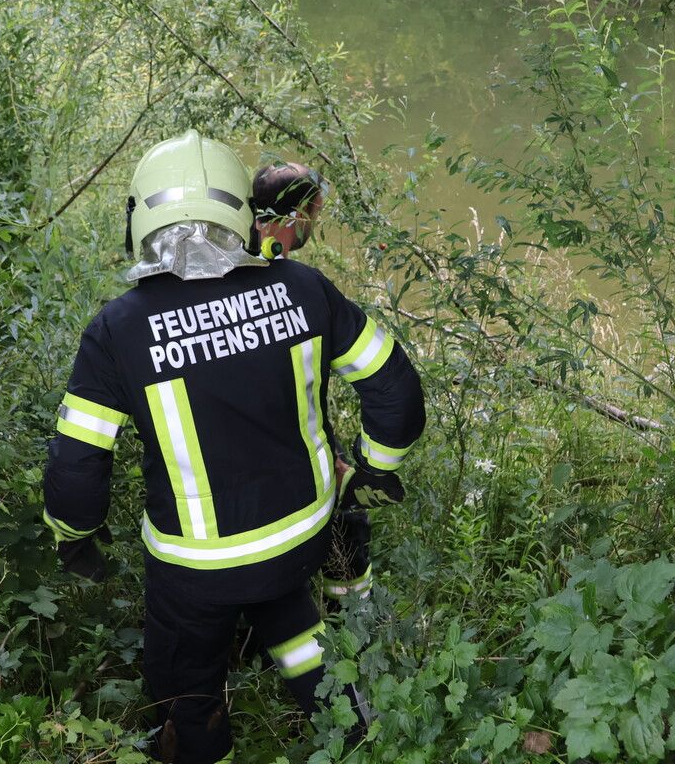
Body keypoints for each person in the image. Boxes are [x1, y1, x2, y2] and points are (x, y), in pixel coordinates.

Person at [43, 131, 425, 764]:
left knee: (185, 684)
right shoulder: (303, 289)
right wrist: (374, 473)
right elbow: (397, 391)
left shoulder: (117, 330)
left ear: (139, 217)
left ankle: (203, 745)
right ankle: (359, 734)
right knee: (289, 611)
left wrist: (74, 534)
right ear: (242, 213)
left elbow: (78, 467)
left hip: (195, 570)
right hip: (302, 534)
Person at [251, 162, 402, 607]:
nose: (315, 223)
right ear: (298, 216)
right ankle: (350, 616)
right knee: (345, 511)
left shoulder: (239, 253)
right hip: (276, 445)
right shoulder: (278, 276)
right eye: (314, 213)